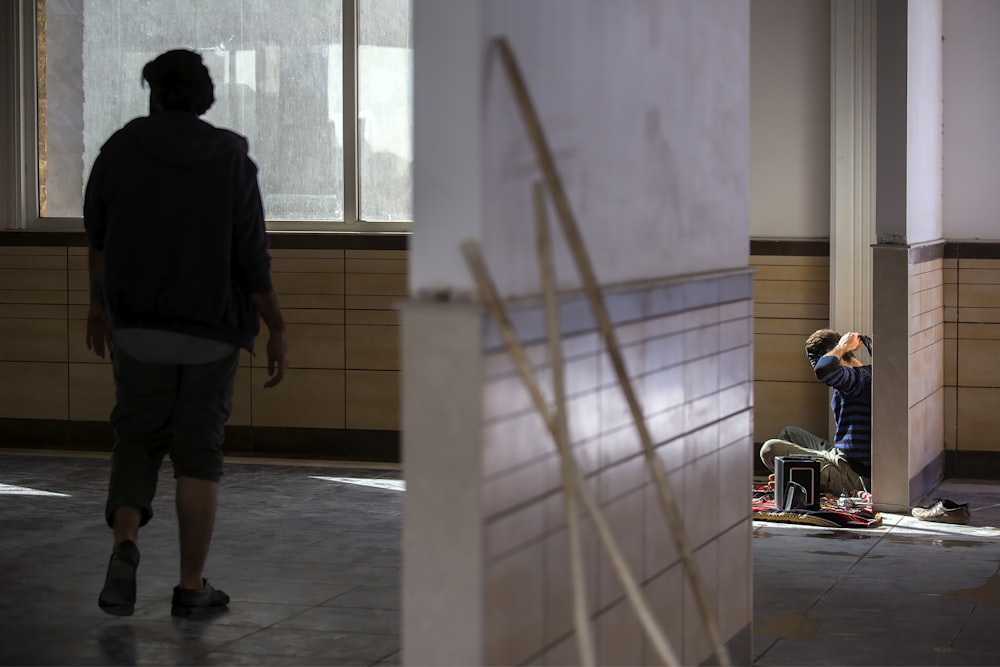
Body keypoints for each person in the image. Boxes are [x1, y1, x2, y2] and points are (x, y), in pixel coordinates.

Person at [84, 49, 288, 617]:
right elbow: (252, 257)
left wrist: (97, 308)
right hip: (211, 331)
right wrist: (276, 325)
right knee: (200, 455)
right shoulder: (230, 156)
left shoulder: (121, 148)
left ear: (153, 93)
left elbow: (96, 235)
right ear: (206, 96)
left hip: (138, 328)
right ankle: (191, 587)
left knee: (137, 439)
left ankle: (126, 544)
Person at [760, 329, 872, 497]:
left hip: (855, 474)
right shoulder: (857, 377)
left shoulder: (858, 380)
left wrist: (842, 346)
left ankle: (803, 481)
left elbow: (824, 370)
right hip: (841, 456)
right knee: (789, 434)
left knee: (769, 449)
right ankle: (799, 477)